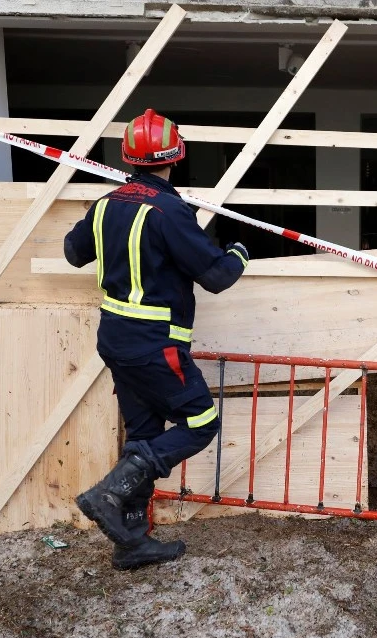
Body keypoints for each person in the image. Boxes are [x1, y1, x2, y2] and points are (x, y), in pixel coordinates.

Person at [63, 109, 250, 571]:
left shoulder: (107, 204)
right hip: (155, 343)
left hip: (116, 339)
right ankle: (112, 493)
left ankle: (133, 541)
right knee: (201, 423)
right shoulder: (169, 211)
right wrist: (240, 251)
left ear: (127, 157)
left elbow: (72, 253)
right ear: (175, 157)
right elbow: (217, 276)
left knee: (145, 433)